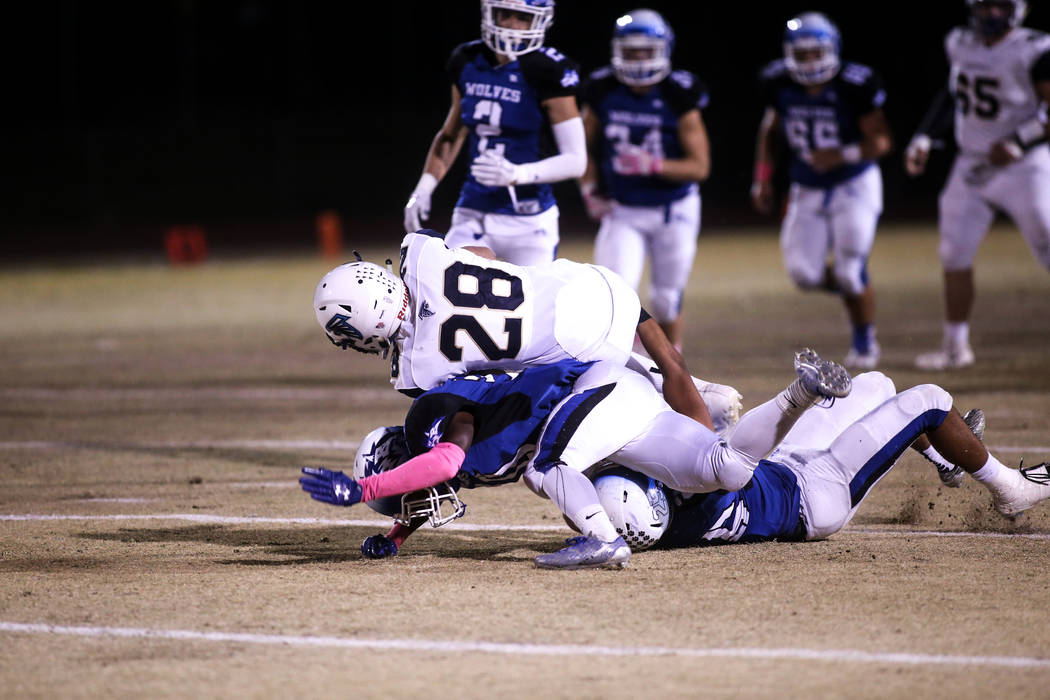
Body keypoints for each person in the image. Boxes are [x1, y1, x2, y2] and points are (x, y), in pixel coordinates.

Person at [299, 348, 853, 570]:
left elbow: (442, 466)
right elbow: (431, 483)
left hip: (592, 390)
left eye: (403, 491)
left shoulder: (431, 415)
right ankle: (799, 395)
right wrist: (395, 538)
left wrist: (363, 492)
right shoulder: (429, 440)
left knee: (546, 468)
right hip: (615, 398)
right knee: (725, 469)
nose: (416, 502)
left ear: (402, 453)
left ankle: (603, 541)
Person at [594, 371, 1050, 550]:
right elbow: (697, 420)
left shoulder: (653, 522)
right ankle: (1011, 489)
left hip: (786, 468)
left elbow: (609, 492)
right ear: (657, 499)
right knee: (929, 400)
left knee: (875, 385)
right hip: (816, 496)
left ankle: (943, 457)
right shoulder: (693, 489)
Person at [313, 229, 711, 426]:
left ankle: (705, 469)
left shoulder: (416, 373)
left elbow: (477, 402)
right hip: (591, 285)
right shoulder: (419, 252)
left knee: (630, 419)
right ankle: (706, 423)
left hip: (579, 350)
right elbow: (485, 255)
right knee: (671, 362)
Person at [904, 0, 1050, 371]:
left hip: (1024, 165)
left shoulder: (1035, 47)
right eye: (985, 5)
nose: (991, 14)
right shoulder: (960, 42)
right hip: (971, 164)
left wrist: (1020, 140)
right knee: (954, 253)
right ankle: (955, 347)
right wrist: (924, 137)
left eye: (999, 6)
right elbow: (953, 95)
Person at [751, 12, 893, 370]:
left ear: (832, 50)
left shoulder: (854, 83)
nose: (810, 61)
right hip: (807, 187)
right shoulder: (777, 81)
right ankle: (856, 289)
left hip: (854, 183)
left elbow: (881, 140)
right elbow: (770, 129)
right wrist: (764, 177)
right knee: (803, 273)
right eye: (803, 54)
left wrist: (842, 154)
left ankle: (864, 336)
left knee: (849, 268)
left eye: (817, 53)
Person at [401, 0, 585, 266]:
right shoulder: (467, 60)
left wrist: (518, 174)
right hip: (474, 209)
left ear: (540, 21)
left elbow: (576, 161)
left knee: (531, 305)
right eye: (504, 14)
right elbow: (451, 135)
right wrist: (424, 188)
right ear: (490, 13)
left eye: (522, 17)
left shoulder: (550, 71)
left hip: (529, 218)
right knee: (447, 290)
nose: (511, 24)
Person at [577, 8, 711, 349]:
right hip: (623, 210)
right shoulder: (602, 87)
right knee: (614, 293)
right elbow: (580, 145)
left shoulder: (678, 92)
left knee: (665, 299)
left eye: (645, 50)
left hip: (673, 208)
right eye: (630, 50)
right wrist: (590, 188)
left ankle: (673, 363)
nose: (637, 58)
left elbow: (699, 167)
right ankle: (622, 367)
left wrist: (653, 165)